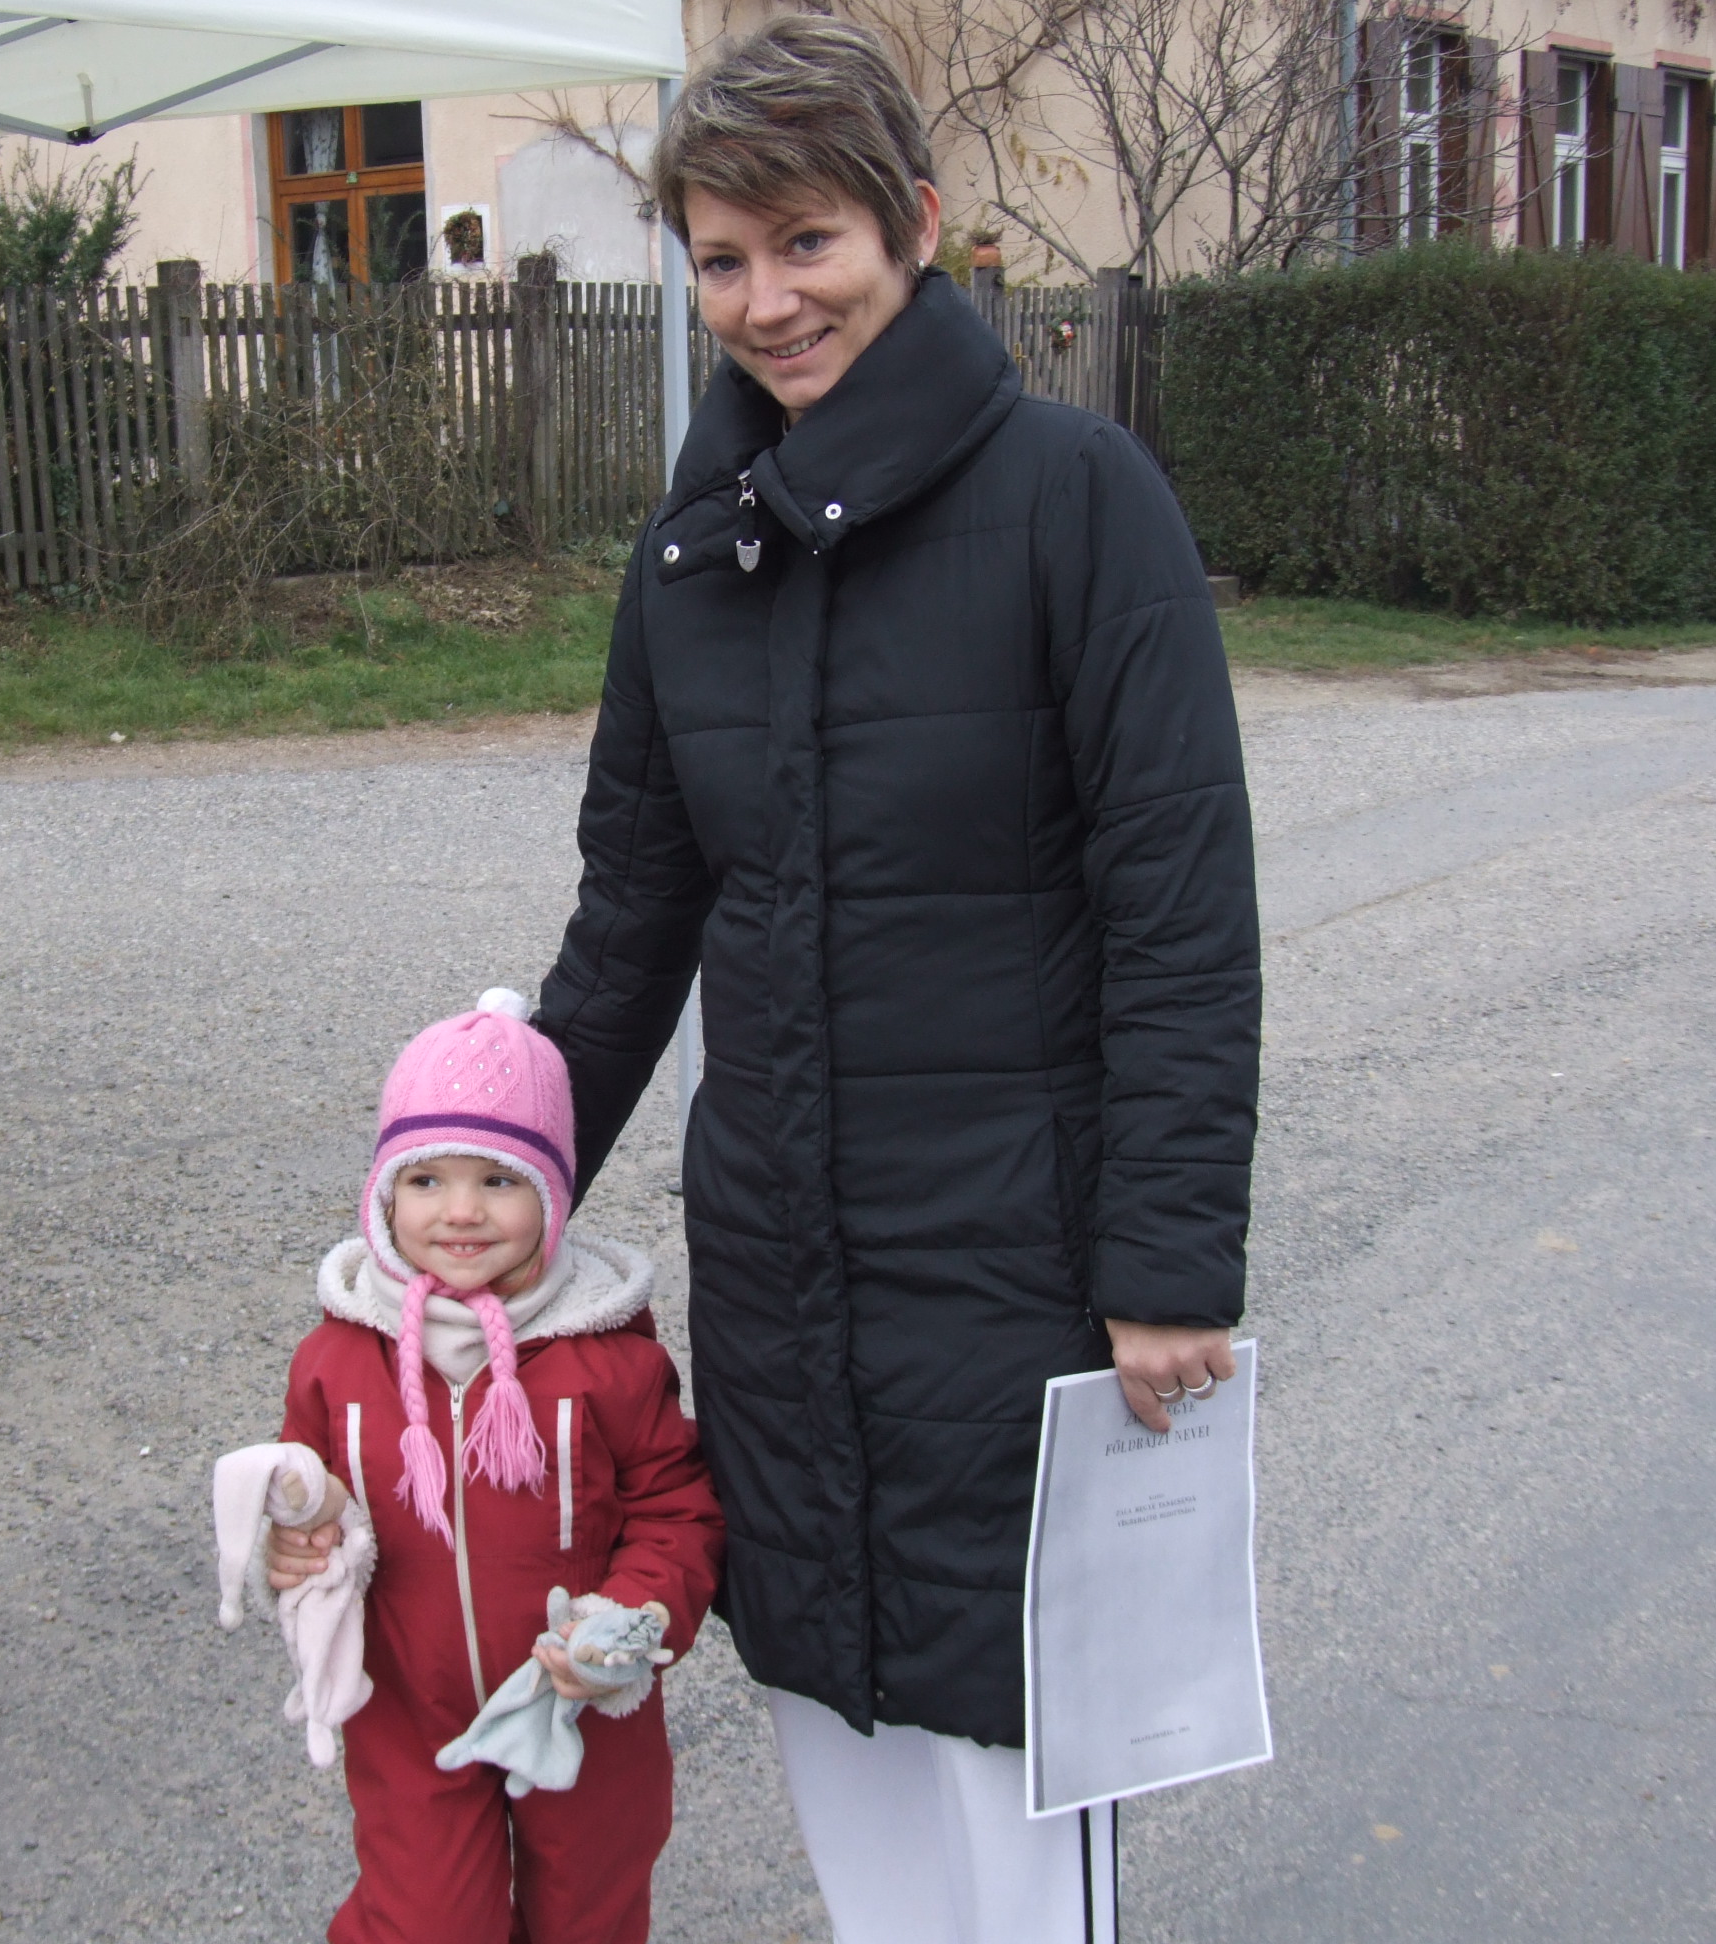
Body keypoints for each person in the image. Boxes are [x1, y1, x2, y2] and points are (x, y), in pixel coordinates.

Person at [528, 20, 1262, 1944]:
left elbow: (1179, 906)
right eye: (720, 258)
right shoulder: (687, 563)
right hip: (780, 1271)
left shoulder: (1079, 498)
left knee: (1013, 1788)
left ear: (913, 226)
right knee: (844, 1750)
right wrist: (497, 1180)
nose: (767, 300)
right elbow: (631, 916)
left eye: (808, 241)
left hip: (1019, 1279)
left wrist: (1167, 1260)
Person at [263, 991, 723, 1944]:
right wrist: (301, 1548)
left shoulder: (608, 1357)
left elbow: (676, 1511)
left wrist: (629, 1616)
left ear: (552, 1194)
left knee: (589, 1915)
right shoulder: (338, 1357)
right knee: (425, 1921)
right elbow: (313, 1506)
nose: (462, 1211)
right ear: (384, 1194)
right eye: (426, 1178)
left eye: (500, 1180)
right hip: (409, 1709)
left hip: (583, 1704)